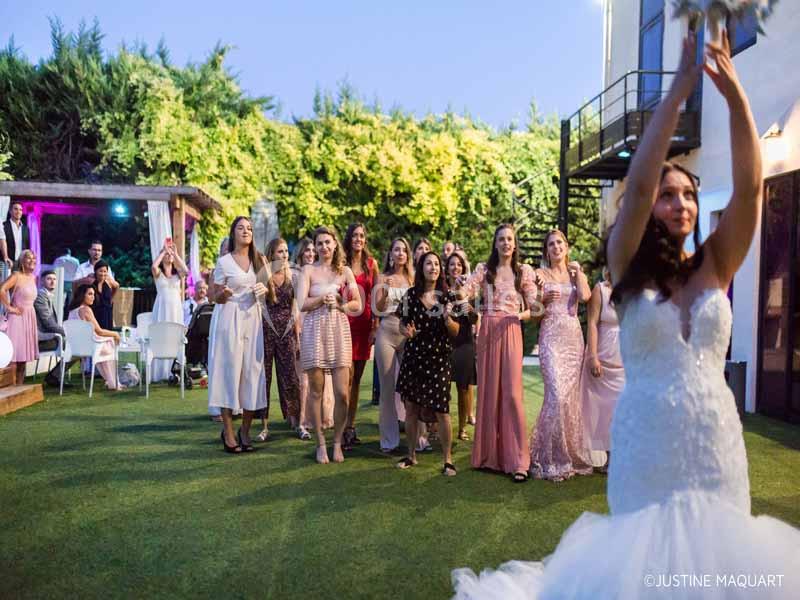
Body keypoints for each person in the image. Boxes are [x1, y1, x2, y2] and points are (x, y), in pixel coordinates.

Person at [453, 32, 800, 598]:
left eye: (688, 193)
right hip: (646, 444)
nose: (680, 202)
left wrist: (733, 90)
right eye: (670, 194)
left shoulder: (717, 264)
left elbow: (751, 187)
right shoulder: (626, 268)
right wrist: (679, 90)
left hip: (716, 443)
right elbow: (636, 189)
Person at [455, 223, 538, 483]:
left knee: (512, 394)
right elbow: (465, 291)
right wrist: (460, 288)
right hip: (488, 329)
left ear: (515, 244)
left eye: (509, 239)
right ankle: (488, 456)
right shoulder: (484, 269)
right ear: (495, 243)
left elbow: (536, 306)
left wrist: (519, 315)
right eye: (501, 239)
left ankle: (518, 461)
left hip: (511, 329)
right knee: (489, 391)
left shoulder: (523, 271)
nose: (505, 243)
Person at [528, 229, 593, 482]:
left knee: (568, 399)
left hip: (573, 339)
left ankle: (567, 454)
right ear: (546, 250)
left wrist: (578, 275)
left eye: (560, 243)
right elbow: (534, 314)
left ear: (566, 247)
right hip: (550, 338)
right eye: (551, 244)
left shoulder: (575, 272)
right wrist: (543, 299)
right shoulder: (539, 275)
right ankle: (548, 457)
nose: (556, 247)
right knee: (555, 395)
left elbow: (586, 297)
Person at [296, 226, 361, 464]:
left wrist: (342, 304)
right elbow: (302, 303)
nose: (324, 247)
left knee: (343, 394)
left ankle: (337, 441)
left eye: (327, 242)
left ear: (335, 245)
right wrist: (320, 300)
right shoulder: (308, 270)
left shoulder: (344, 272)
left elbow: (358, 305)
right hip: (314, 329)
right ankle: (321, 443)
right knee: (315, 390)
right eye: (319, 243)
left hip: (338, 328)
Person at [395, 251, 460, 476]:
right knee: (411, 408)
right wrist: (406, 331)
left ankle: (448, 460)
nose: (433, 267)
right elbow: (401, 325)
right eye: (428, 263)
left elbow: (456, 331)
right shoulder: (410, 295)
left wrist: (447, 318)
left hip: (440, 358)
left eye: (436, 264)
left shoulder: (448, 297)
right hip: (414, 357)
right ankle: (411, 455)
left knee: (442, 410)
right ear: (421, 268)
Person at [207, 216, 267, 454]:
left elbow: (269, 292)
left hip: (253, 320)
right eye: (241, 228)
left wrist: (263, 289)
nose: (246, 231)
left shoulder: (259, 259)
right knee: (229, 372)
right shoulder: (223, 262)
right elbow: (214, 295)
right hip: (230, 318)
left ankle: (245, 429)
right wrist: (224, 294)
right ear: (233, 233)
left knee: (252, 373)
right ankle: (229, 432)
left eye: (249, 228)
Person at [257, 237, 302, 440]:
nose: (284, 255)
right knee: (264, 379)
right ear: (272, 254)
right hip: (266, 332)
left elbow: (295, 308)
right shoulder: (263, 275)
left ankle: (296, 422)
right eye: (280, 252)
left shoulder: (292, 276)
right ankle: (264, 426)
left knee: (291, 378)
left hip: (287, 333)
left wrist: (297, 336)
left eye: (286, 251)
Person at [580, 268, 624, 473]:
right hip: (603, 354)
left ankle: (619, 455)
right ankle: (606, 456)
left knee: (621, 408)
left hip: (626, 356)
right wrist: (593, 356)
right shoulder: (600, 289)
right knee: (602, 409)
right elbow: (592, 323)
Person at [374, 237, 414, 453]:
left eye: (403, 250)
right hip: (387, 331)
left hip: (407, 333)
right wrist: (387, 293)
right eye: (396, 250)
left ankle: (418, 438)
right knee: (387, 389)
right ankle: (389, 440)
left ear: (407, 255)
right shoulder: (382, 277)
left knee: (411, 388)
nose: (400, 253)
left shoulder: (412, 278)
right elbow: (377, 309)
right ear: (390, 254)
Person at [343, 222, 379, 450]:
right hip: (344, 324)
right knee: (345, 379)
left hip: (364, 326)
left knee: (356, 380)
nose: (358, 239)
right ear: (349, 238)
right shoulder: (341, 263)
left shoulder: (371, 264)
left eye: (362, 236)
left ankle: (350, 426)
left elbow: (375, 296)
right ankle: (341, 426)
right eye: (355, 235)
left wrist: (375, 326)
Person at [293, 238, 334, 435]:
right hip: (300, 321)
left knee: (323, 374)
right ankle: (302, 420)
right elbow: (296, 305)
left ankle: (324, 417)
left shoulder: (321, 273)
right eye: (307, 250)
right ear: (300, 253)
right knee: (304, 378)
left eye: (312, 250)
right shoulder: (296, 274)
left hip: (322, 322)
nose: (310, 253)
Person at [445, 251, 477, 441]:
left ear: (463, 269)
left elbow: (474, 319)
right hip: (445, 342)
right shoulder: (440, 290)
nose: (456, 267)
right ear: (447, 269)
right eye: (452, 264)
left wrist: (468, 305)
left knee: (463, 388)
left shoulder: (471, 291)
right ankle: (438, 424)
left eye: (459, 265)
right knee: (442, 387)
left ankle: (462, 427)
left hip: (465, 341)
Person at [67, 284, 122, 391]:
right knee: (109, 342)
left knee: (106, 343)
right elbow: (99, 331)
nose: (93, 297)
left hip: (75, 347)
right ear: (82, 295)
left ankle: (111, 380)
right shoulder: (86, 310)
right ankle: (113, 382)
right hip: (89, 347)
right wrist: (115, 334)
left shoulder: (72, 310)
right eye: (90, 294)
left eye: (93, 294)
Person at [150, 241, 188, 382]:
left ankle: (173, 371)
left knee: (174, 337)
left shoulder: (177, 275)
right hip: (161, 309)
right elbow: (154, 266)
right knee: (161, 336)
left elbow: (186, 270)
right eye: (167, 254)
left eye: (170, 254)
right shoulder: (158, 273)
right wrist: (162, 252)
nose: (169, 255)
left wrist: (176, 253)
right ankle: (159, 372)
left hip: (175, 309)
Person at [0, 250, 38, 384]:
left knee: (23, 358)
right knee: (14, 357)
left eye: (34, 258)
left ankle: (20, 388)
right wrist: (10, 307)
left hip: (29, 318)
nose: (32, 260)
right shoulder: (16, 275)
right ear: (22, 261)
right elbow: (2, 289)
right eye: (28, 258)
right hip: (17, 319)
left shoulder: (33, 277)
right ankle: (9, 390)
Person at [34, 269, 75, 387]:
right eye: (48, 279)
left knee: (73, 345)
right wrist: (67, 332)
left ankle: (54, 375)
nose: (52, 282)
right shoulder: (40, 295)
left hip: (49, 337)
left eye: (54, 279)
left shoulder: (46, 295)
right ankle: (54, 376)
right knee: (74, 346)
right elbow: (48, 323)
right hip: (41, 340)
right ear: (41, 281)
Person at [91, 260, 119, 331]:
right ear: (95, 271)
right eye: (100, 271)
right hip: (95, 312)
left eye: (105, 271)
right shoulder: (91, 281)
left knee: (107, 333)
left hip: (107, 312)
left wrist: (112, 298)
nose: (103, 273)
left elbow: (117, 286)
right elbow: (77, 283)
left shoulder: (109, 281)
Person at [3, 201, 29, 267]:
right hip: (6, 262)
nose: (18, 212)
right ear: (10, 211)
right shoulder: (3, 226)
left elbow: (26, 246)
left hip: (21, 263)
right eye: (15, 209)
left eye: (20, 210)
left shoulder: (25, 229)